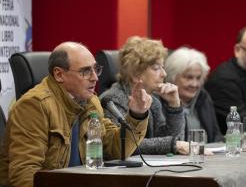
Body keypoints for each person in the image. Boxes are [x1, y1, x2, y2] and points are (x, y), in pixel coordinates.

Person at [0, 42, 151, 187]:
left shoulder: (90, 101)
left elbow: (114, 150)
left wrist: (137, 115)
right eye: (85, 71)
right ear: (59, 74)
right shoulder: (35, 106)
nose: (95, 78)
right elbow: (25, 175)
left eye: (96, 69)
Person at [100, 36, 187, 155]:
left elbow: (171, 138)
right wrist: (172, 145)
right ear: (135, 74)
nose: (164, 74)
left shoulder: (153, 101)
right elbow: (124, 144)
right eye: (156, 68)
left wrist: (175, 106)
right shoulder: (112, 100)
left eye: (163, 67)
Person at [164, 47, 223, 143]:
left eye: (198, 78)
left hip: (207, 156)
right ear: (172, 76)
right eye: (188, 77)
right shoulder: (161, 101)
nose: (194, 84)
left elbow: (216, 135)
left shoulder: (203, 97)